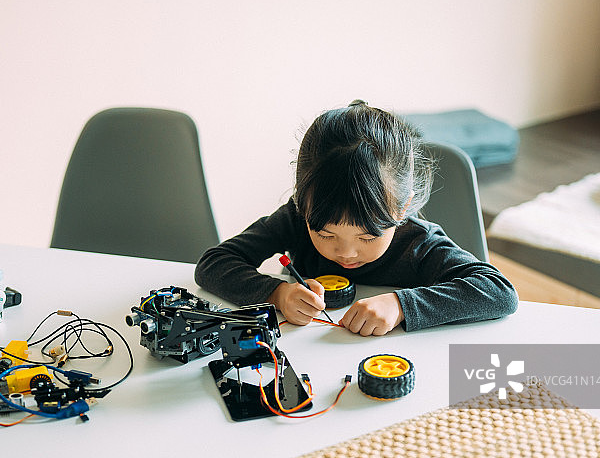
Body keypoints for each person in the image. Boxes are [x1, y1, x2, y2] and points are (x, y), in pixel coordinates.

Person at [195, 100, 518, 336]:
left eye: (367, 237)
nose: (346, 252)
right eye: (325, 234)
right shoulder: (296, 217)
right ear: (303, 204)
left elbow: (497, 292)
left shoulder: (419, 242)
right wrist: (276, 293)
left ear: (402, 208)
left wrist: (401, 305)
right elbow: (214, 263)